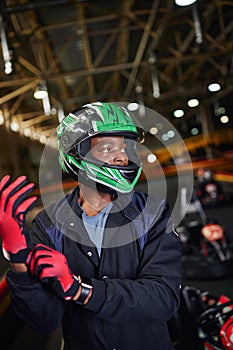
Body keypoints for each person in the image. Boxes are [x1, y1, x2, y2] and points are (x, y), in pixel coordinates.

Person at [0, 102, 182, 350]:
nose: (122, 156)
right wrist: (18, 260)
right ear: (78, 155)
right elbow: (45, 320)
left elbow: (163, 298)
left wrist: (79, 289)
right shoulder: (49, 224)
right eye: (107, 148)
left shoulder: (153, 212)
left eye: (125, 147)